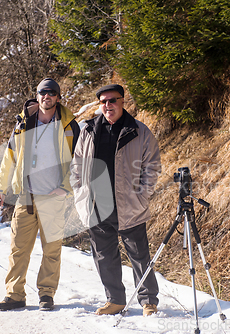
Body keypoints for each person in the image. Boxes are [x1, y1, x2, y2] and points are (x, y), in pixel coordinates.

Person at [70, 84, 161, 316]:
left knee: (139, 255)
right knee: (104, 256)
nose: (108, 105)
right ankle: (115, 300)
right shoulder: (89, 130)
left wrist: (142, 195)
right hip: (96, 206)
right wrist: (81, 195)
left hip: (129, 206)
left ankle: (148, 301)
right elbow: (77, 166)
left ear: (122, 102)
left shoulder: (139, 131)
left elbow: (152, 166)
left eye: (112, 100)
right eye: (103, 102)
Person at [0, 78, 80, 311]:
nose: (46, 96)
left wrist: (65, 188)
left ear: (58, 98)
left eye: (52, 93)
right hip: (26, 197)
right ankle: (15, 295)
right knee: (17, 249)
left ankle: (46, 294)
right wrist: (1, 188)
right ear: (37, 95)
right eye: (43, 92)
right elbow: (9, 156)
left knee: (51, 251)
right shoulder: (24, 123)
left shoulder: (70, 126)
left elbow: (78, 162)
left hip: (54, 198)